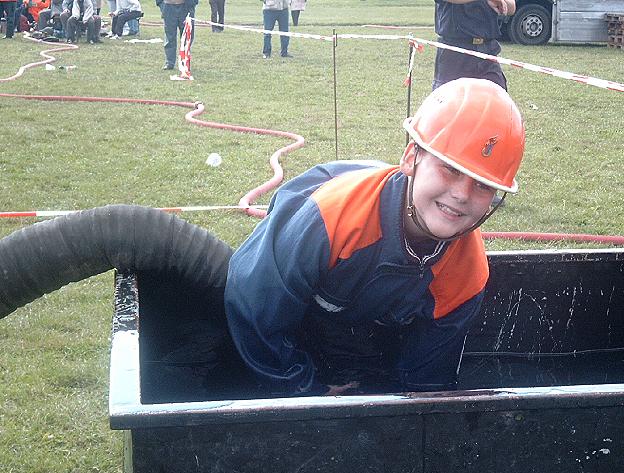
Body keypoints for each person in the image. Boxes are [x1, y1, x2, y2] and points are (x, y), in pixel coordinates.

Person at [224, 78, 525, 397]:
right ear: (411, 158)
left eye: (482, 185)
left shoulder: (466, 272)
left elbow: (428, 380)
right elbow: (254, 308)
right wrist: (307, 392)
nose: (462, 195)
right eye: (450, 169)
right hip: (290, 309)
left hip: (361, 334)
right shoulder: (330, 219)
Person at [432, 0, 515, 91]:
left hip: (487, 50)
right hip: (454, 51)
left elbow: (512, 8)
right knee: (449, 97)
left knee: (498, 96)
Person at [156, 0, 197, 70]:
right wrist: (161, 4)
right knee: (170, 36)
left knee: (187, 36)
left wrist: (192, 5)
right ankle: (170, 62)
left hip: (185, 7)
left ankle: (185, 61)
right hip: (168, 7)